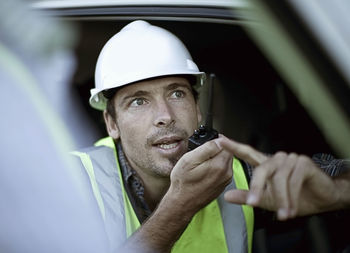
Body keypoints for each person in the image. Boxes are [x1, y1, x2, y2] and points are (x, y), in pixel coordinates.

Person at [73, 20, 349, 253]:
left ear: (197, 108)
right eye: (138, 101)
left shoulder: (234, 172)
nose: (165, 115)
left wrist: (336, 191)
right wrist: (180, 206)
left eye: (177, 93)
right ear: (112, 124)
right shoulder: (70, 181)